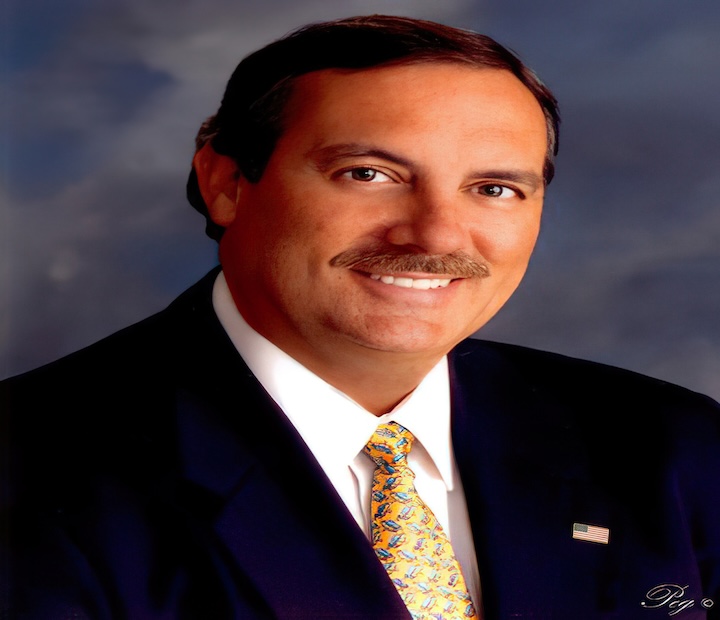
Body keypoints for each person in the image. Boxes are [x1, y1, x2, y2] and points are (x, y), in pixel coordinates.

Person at [2, 14, 719, 620]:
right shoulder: (30, 476)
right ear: (225, 183)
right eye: (369, 175)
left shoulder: (671, 447)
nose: (435, 234)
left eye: (493, 188)